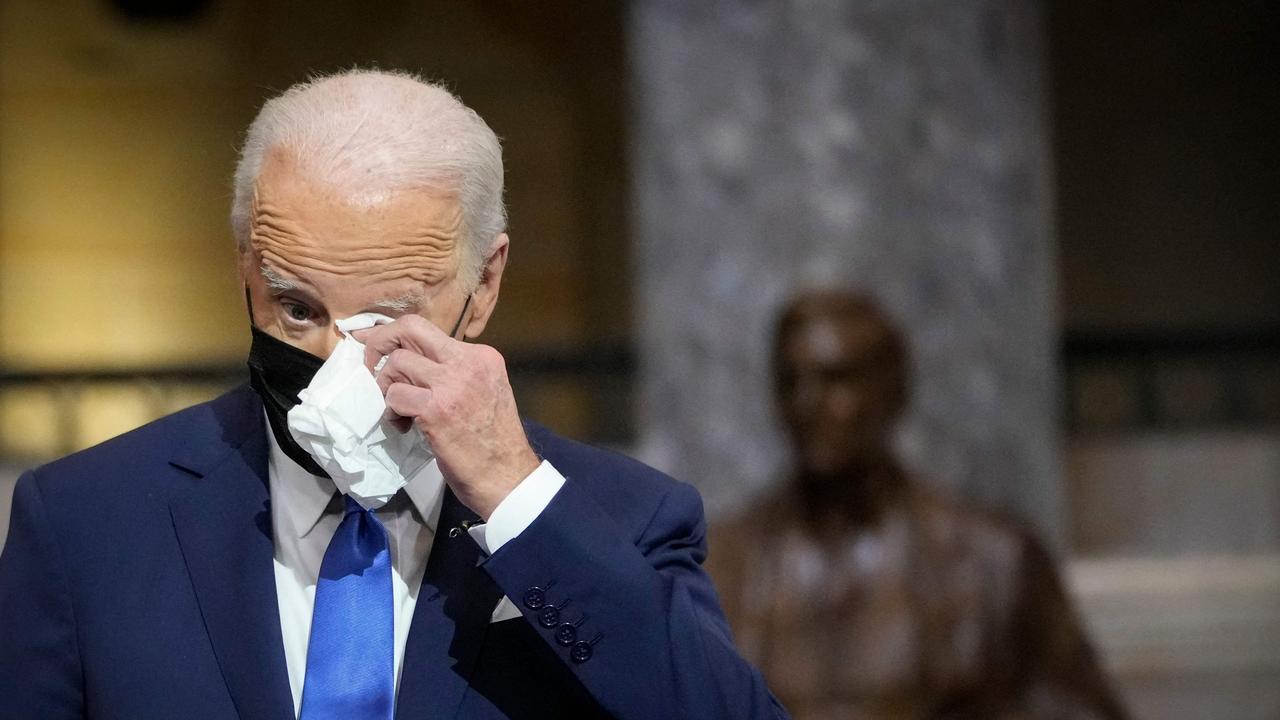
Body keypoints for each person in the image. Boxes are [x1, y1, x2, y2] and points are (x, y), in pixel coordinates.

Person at [0, 70, 787, 720]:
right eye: (298, 309)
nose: (339, 363)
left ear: (484, 286)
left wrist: (515, 500)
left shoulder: (623, 520)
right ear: (246, 267)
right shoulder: (85, 524)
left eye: (386, 317)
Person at [709, 291, 1127, 720]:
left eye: (836, 378)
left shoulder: (993, 562)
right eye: (790, 381)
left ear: (892, 389)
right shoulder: (719, 567)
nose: (807, 403)